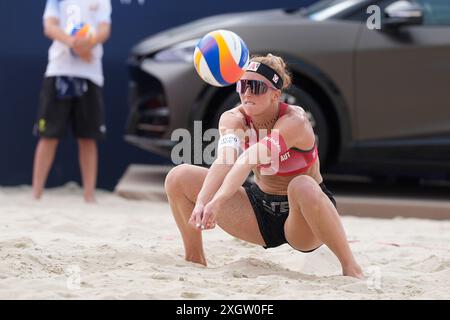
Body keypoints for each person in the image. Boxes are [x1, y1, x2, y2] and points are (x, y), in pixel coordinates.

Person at [165, 54, 364, 279]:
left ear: (275, 95)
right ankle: (195, 257)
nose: (247, 92)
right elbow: (226, 160)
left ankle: (351, 267)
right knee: (178, 176)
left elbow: (247, 159)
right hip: (259, 211)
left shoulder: (294, 121)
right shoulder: (232, 118)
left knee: (302, 185)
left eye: (257, 86)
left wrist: (217, 201)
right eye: (242, 85)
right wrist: (202, 202)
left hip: (303, 218)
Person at [32, 0, 112, 203]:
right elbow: (49, 27)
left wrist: (88, 45)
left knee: (88, 137)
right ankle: (36, 194)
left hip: (90, 73)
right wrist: (74, 44)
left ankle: (89, 195)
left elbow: (104, 30)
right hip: (60, 70)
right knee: (48, 135)